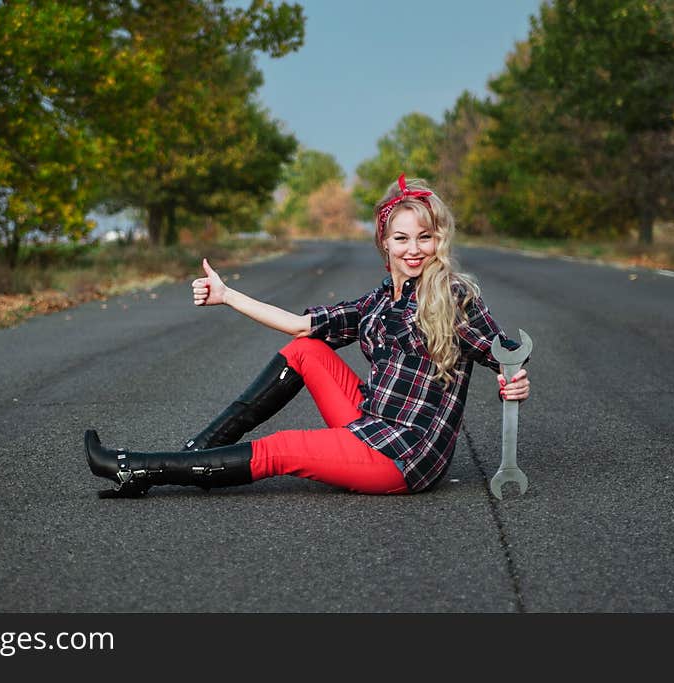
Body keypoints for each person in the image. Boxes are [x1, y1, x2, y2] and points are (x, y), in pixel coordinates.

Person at [84, 173, 530, 498]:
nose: (414, 249)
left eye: (425, 237)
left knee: (281, 449)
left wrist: (514, 378)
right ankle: (198, 454)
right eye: (402, 238)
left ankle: (138, 469)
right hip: (370, 422)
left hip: (403, 455)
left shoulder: (451, 296)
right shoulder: (381, 299)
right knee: (305, 349)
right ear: (385, 243)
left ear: (439, 240)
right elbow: (301, 325)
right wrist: (227, 295)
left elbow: (506, 354)